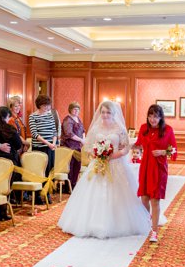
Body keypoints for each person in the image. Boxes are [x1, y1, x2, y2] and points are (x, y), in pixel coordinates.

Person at [58, 100, 151, 239]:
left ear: (113, 113)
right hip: (98, 164)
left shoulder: (119, 128)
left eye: (108, 112)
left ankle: (118, 222)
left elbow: (126, 147)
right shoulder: (95, 128)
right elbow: (88, 146)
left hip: (116, 164)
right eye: (103, 112)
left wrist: (114, 155)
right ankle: (91, 223)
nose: (105, 115)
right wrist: (96, 153)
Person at [134, 102, 177, 244]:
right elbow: (138, 144)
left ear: (161, 118)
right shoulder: (143, 128)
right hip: (145, 166)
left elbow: (174, 150)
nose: (153, 119)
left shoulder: (167, 130)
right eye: (150, 116)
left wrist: (163, 151)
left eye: (156, 117)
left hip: (158, 168)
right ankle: (147, 224)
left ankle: (154, 232)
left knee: (155, 199)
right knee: (144, 198)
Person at [28, 91, 60, 175]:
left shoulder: (50, 115)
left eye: (48, 105)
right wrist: (48, 143)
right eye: (44, 105)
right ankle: (40, 188)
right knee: (40, 171)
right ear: (39, 105)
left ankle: (50, 188)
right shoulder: (32, 116)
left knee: (50, 170)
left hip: (50, 147)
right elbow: (34, 134)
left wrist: (53, 143)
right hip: (39, 148)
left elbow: (54, 131)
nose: (47, 107)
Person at [60, 101, 85, 189]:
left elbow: (83, 131)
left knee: (77, 166)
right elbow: (69, 133)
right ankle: (68, 186)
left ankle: (73, 184)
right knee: (70, 166)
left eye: (78, 110)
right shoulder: (68, 120)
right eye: (74, 109)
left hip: (77, 147)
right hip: (69, 147)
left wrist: (83, 140)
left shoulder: (78, 119)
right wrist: (81, 140)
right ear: (70, 110)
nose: (76, 111)